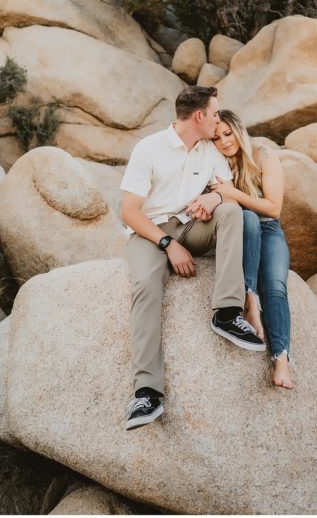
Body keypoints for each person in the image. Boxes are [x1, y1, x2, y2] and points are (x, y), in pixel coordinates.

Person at [120, 85, 265, 431]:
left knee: (233, 213)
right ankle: (147, 392)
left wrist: (215, 201)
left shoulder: (208, 151)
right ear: (199, 116)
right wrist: (168, 243)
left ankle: (227, 313)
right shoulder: (149, 149)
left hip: (192, 226)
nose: (218, 120)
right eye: (215, 114)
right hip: (150, 232)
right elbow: (129, 212)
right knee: (145, 287)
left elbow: (224, 190)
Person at [209, 110, 293, 390]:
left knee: (276, 287)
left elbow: (274, 207)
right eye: (216, 137)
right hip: (241, 231)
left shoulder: (263, 155)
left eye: (227, 133)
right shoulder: (214, 161)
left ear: (238, 130)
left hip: (269, 229)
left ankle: (281, 358)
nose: (223, 141)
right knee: (246, 218)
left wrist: (233, 193)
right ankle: (249, 299)